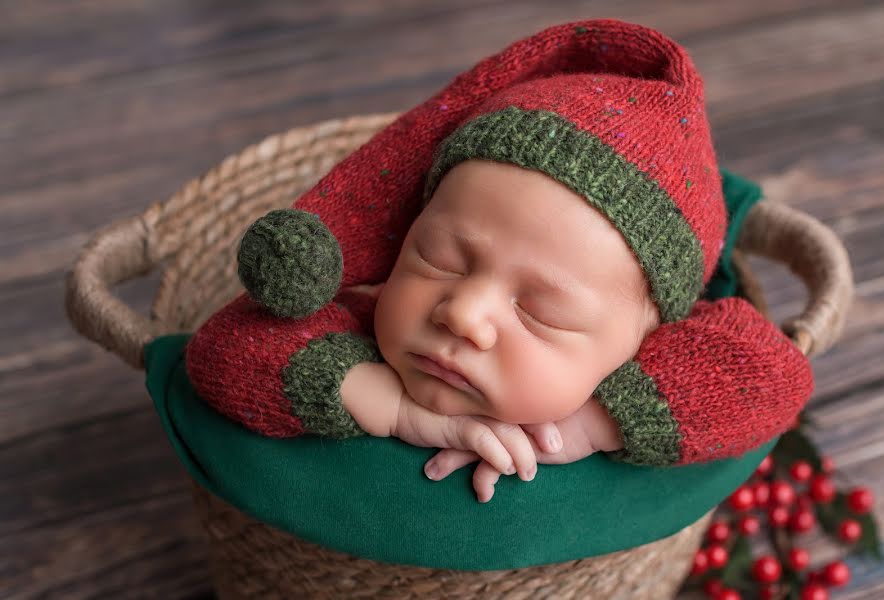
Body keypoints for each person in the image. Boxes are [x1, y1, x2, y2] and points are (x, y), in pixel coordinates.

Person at [185, 18, 814, 503]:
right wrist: (388, 405)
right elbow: (221, 352)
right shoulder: (360, 323)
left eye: (540, 312)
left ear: (646, 340)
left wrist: (593, 424)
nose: (463, 313)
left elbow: (772, 376)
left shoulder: (648, 372)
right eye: (439, 259)